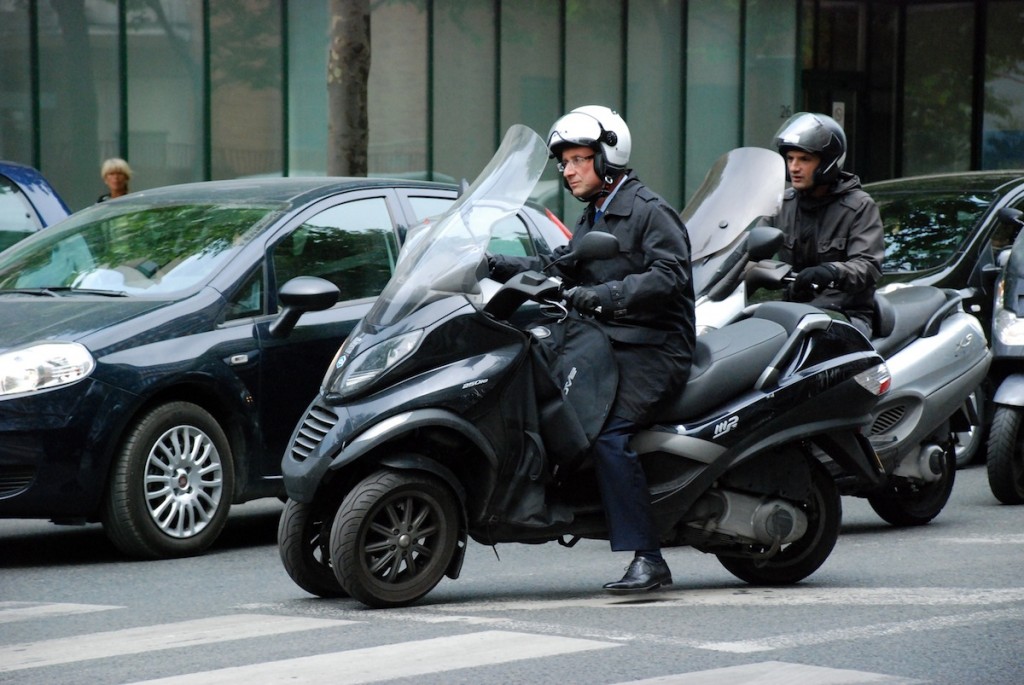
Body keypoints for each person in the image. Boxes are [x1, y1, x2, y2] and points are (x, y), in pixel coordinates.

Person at [489, 105, 695, 594]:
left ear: (607, 158)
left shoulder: (648, 210)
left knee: (607, 432)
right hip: (608, 342)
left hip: (655, 347)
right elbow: (560, 264)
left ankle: (649, 557)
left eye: (579, 159)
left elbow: (672, 275)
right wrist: (491, 263)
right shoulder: (593, 216)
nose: (569, 170)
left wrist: (606, 296)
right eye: (564, 163)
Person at [770, 112, 884, 336]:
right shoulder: (781, 204)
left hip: (845, 314)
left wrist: (832, 271)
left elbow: (868, 266)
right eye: (790, 158)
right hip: (793, 312)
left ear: (827, 163)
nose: (794, 167)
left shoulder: (858, 206)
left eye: (804, 159)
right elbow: (753, 250)